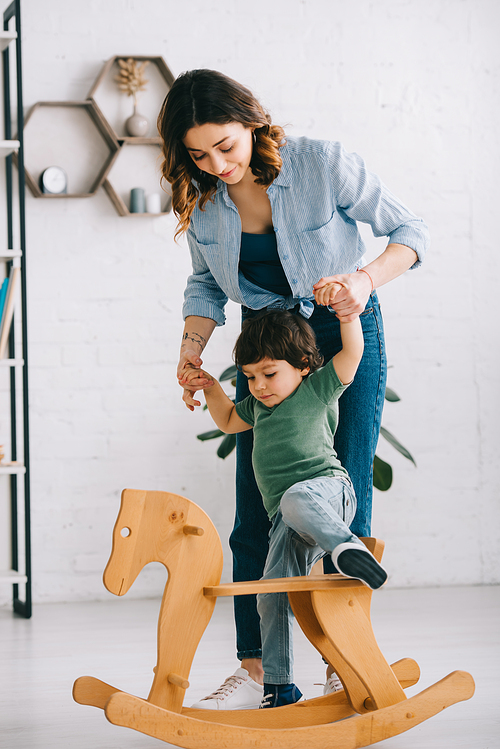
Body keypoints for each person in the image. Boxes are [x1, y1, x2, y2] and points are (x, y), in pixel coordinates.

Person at [157, 68, 429, 709]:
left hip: (342, 330)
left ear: (251, 121)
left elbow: (410, 234)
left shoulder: (324, 164)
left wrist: (362, 281)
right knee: (254, 508)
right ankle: (256, 668)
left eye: (226, 145)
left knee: (350, 491)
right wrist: (192, 349)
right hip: (264, 346)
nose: (217, 164)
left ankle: (344, 659)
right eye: (198, 155)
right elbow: (204, 286)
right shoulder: (201, 197)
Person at [180, 307, 387, 708]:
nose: (258, 386)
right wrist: (209, 386)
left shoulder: (318, 388)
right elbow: (225, 419)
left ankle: (347, 548)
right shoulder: (257, 408)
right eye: (251, 377)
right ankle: (279, 687)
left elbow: (353, 353)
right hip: (286, 522)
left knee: (296, 497)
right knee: (271, 596)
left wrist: (347, 313)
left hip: (328, 496)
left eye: (269, 374)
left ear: (303, 366)